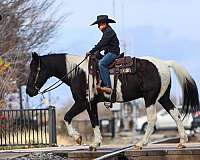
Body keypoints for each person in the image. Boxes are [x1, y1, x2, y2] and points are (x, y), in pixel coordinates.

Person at [87, 15, 120, 94]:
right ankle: (101, 81)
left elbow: (101, 43)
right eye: (98, 25)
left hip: (113, 53)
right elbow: (102, 45)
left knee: (102, 63)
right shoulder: (107, 32)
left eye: (99, 24)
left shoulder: (109, 32)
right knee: (96, 58)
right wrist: (95, 52)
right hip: (109, 52)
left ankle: (108, 86)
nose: (98, 26)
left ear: (104, 23)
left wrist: (91, 51)